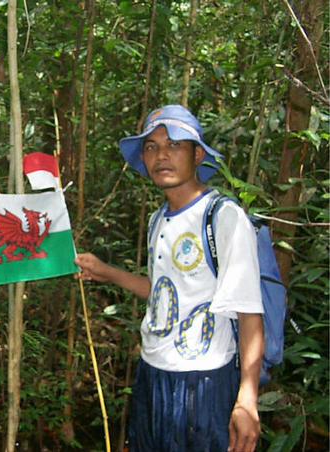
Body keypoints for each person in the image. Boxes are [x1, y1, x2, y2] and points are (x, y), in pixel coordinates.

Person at [75, 105, 264, 452]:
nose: (161, 155)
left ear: (197, 154)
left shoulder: (223, 217)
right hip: (153, 371)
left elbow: (250, 311)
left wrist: (247, 397)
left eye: (174, 145)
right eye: (151, 147)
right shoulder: (158, 219)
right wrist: (107, 272)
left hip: (205, 380)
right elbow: (165, 293)